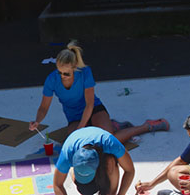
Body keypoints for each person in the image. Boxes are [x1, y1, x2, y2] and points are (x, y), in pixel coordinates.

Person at [29, 41, 169, 143]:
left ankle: (146, 126)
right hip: (74, 116)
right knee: (79, 144)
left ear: (75, 68)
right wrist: (37, 120)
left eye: (66, 73)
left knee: (107, 141)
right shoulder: (51, 79)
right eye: (59, 72)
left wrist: (81, 128)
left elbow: (89, 104)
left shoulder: (85, 73)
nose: (62, 76)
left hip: (94, 109)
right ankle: (114, 125)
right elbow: (43, 107)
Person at [53, 126, 135, 195]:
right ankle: (86, 193)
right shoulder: (68, 153)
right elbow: (57, 184)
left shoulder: (110, 143)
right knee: (86, 189)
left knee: (110, 162)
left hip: (103, 156)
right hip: (78, 143)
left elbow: (129, 170)